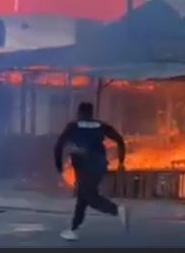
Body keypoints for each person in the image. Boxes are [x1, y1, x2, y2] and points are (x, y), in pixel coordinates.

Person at [53, 102, 129, 241]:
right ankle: (73, 229)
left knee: (88, 196)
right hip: (99, 165)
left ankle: (116, 210)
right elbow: (119, 140)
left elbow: (59, 145)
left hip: (84, 166)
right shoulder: (101, 126)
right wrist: (121, 160)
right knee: (83, 196)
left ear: (79, 113)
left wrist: (59, 164)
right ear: (91, 113)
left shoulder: (73, 126)